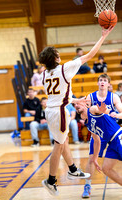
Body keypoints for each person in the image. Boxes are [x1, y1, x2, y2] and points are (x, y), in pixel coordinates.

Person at [39, 26, 114, 196]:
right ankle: (51, 180)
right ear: (56, 58)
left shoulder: (44, 75)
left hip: (51, 111)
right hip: (59, 113)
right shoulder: (65, 68)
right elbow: (89, 56)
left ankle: (72, 169)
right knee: (58, 145)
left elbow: (56, 96)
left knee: (63, 141)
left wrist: (74, 100)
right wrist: (103, 36)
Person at [82, 73, 122, 198]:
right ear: (98, 83)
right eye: (100, 80)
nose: (102, 82)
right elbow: (84, 110)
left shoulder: (113, 97)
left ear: (108, 84)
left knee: (107, 167)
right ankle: (87, 186)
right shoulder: (90, 96)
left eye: (105, 80)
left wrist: (117, 115)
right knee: (91, 159)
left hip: (112, 132)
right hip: (98, 133)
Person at [75, 102, 122, 186]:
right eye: (75, 106)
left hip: (118, 136)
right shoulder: (88, 124)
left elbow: (104, 111)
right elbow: (97, 141)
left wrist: (103, 111)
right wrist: (95, 158)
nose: (76, 106)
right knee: (106, 169)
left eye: (78, 103)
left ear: (86, 105)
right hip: (111, 143)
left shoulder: (92, 109)